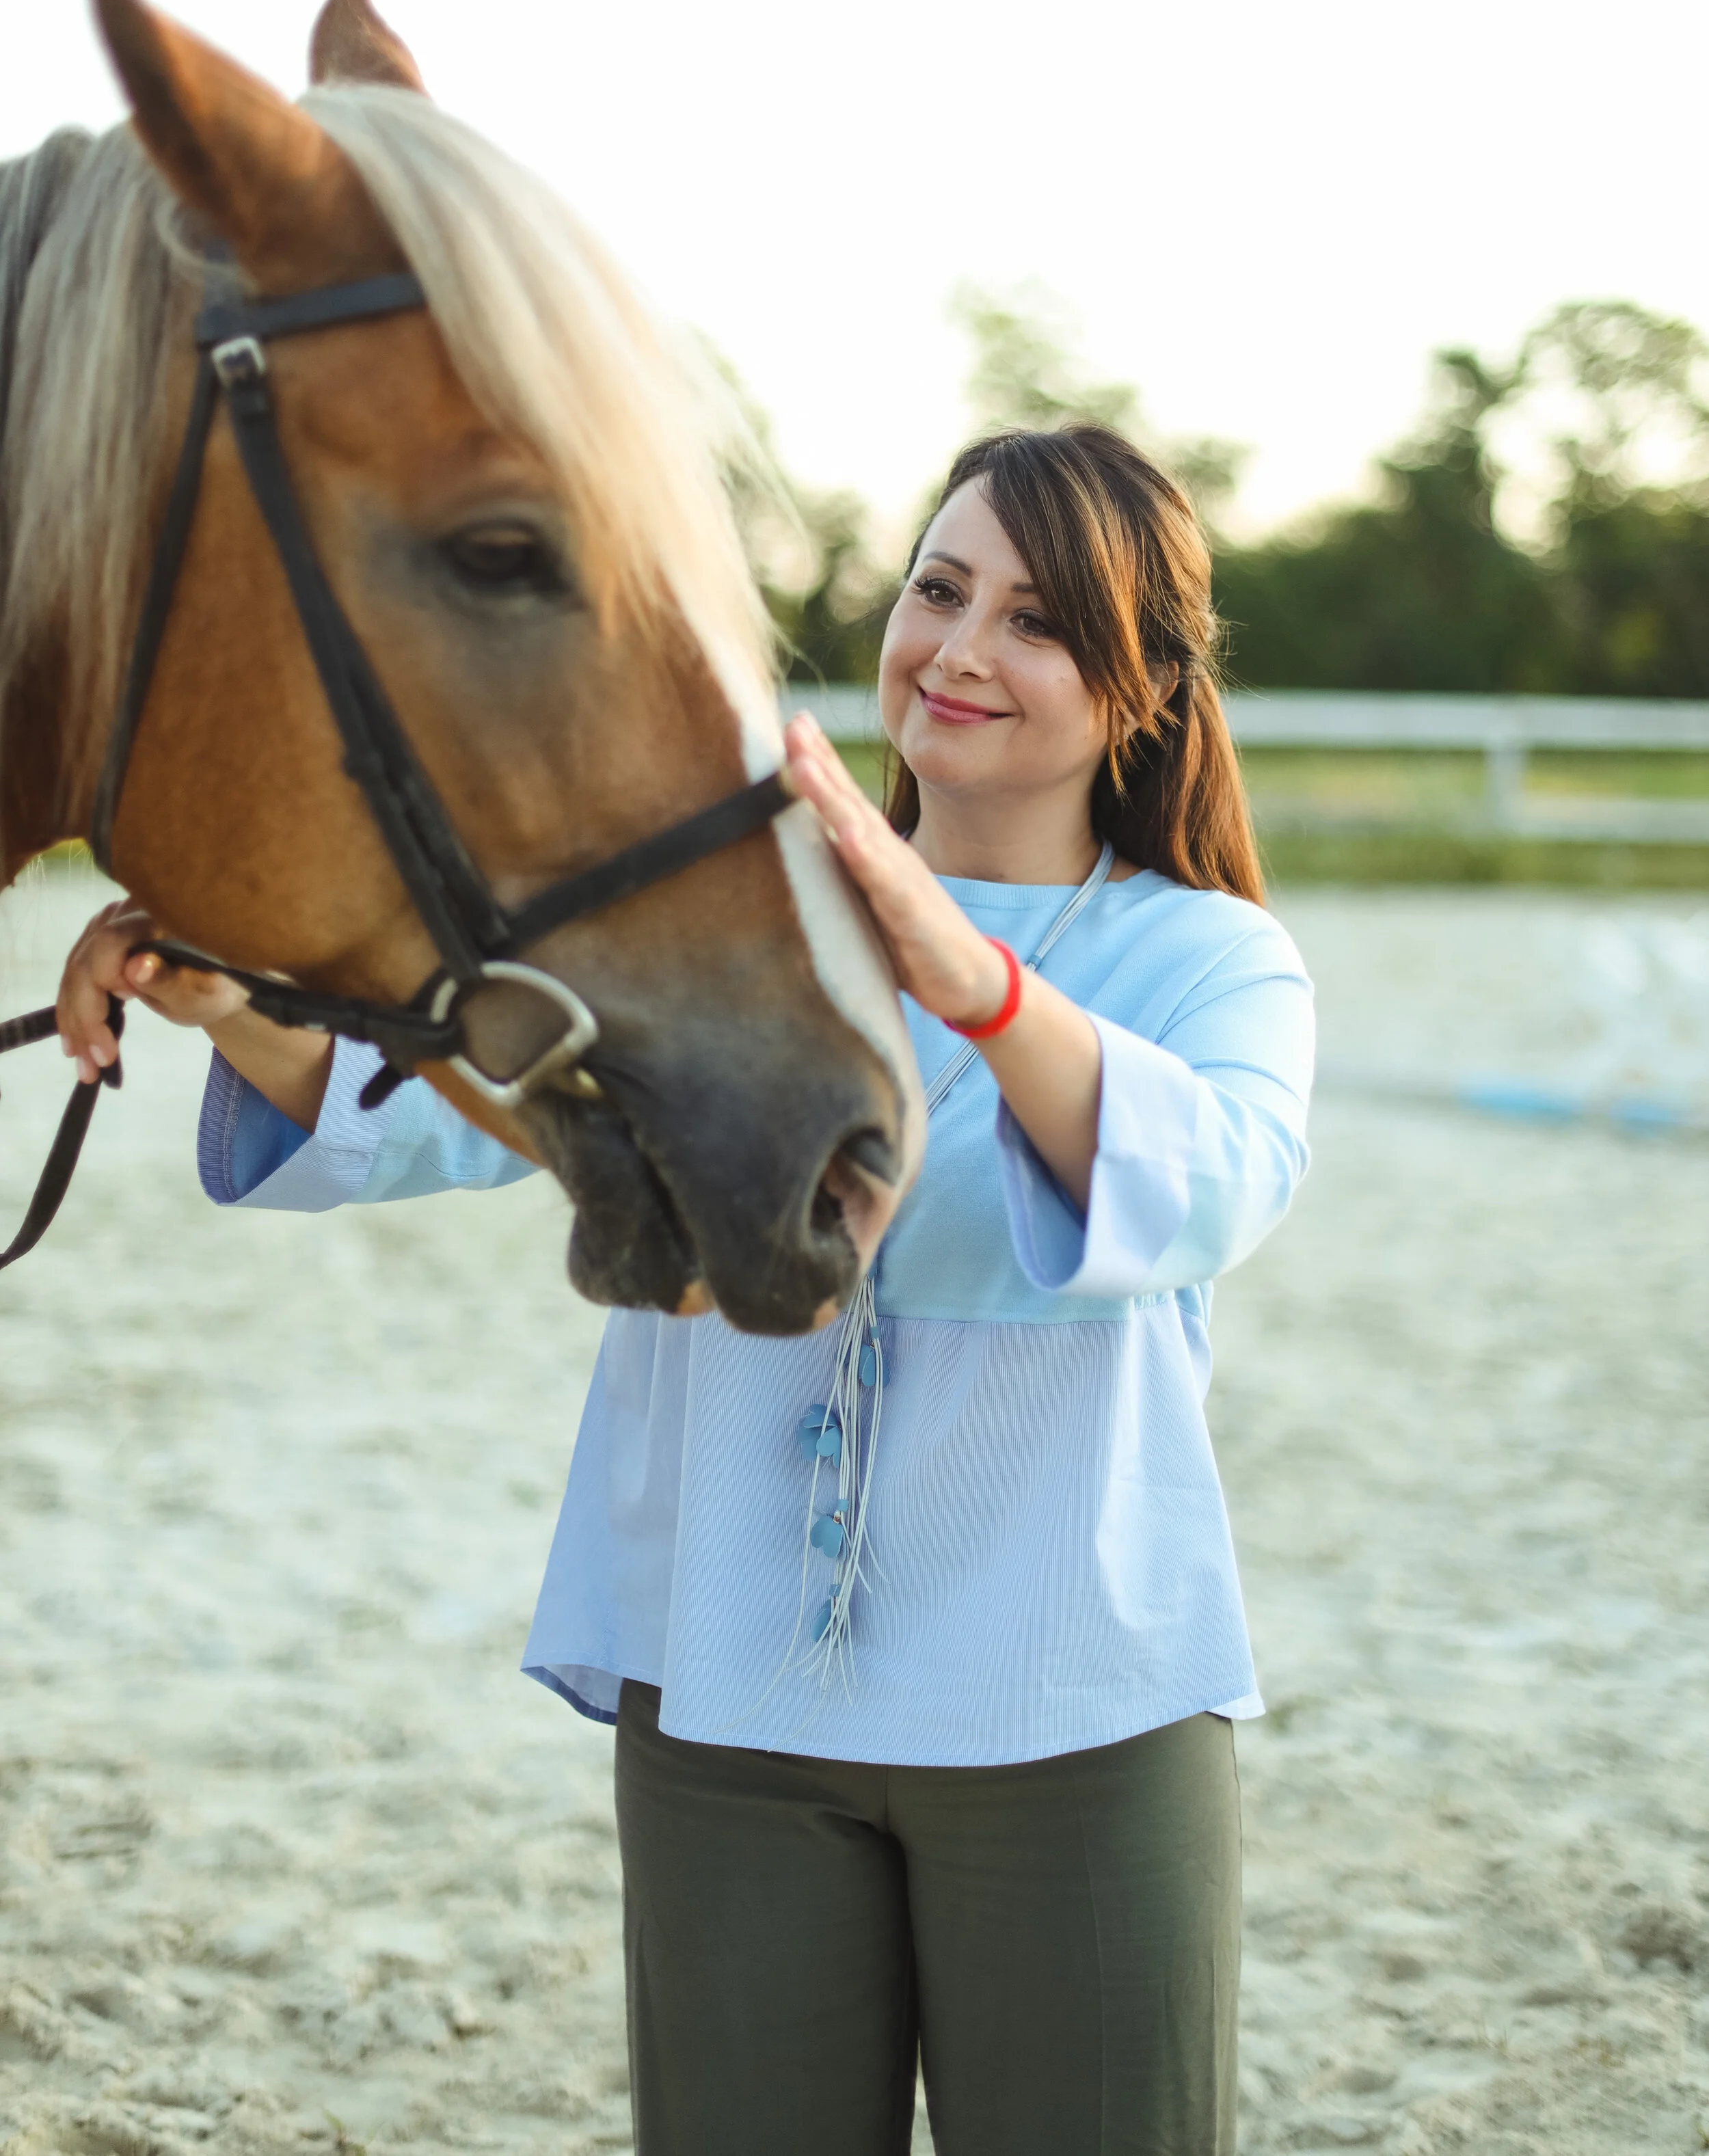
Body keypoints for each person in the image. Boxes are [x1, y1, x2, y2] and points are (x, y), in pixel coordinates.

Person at [59, 424, 1313, 2156]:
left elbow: (1209, 1190)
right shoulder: (717, 909)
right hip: (726, 1692)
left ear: (1145, 685)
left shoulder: (1209, 957)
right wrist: (229, 1002)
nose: (955, 652)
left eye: (1032, 621)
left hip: (1066, 1706)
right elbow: (452, 1110)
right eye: (936, 590)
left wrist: (963, 972)